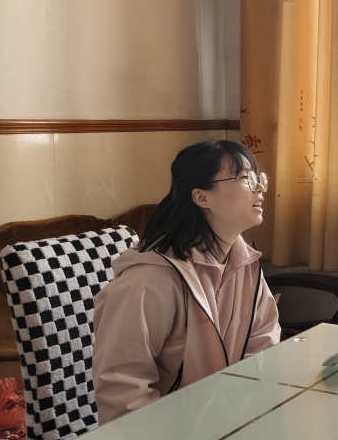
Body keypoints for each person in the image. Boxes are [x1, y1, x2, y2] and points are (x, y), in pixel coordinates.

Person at [92, 140, 280, 422]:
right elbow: (123, 389)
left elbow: (264, 346)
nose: (260, 188)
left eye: (258, 177)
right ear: (202, 197)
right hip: (166, 438)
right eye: (246, 178)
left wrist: (245, 417)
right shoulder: (150, 279)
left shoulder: (245, 264)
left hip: (226, 429)